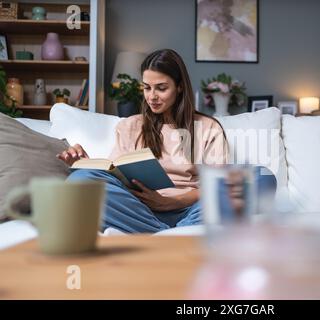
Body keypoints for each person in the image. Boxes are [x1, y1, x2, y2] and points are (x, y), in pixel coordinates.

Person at [58, 49, 276, 233]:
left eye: (161, 88)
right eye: (146, 87)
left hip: (192, 209)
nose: (152, 96)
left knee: (261, 176)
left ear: (180, 87)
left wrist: (174, 201)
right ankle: (176, 236)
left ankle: (168, 235)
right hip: (139, 210)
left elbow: (218, 183)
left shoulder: (208, 127)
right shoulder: (129, 126)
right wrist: (86, 165)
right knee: (80, 182)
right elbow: (115, 175)